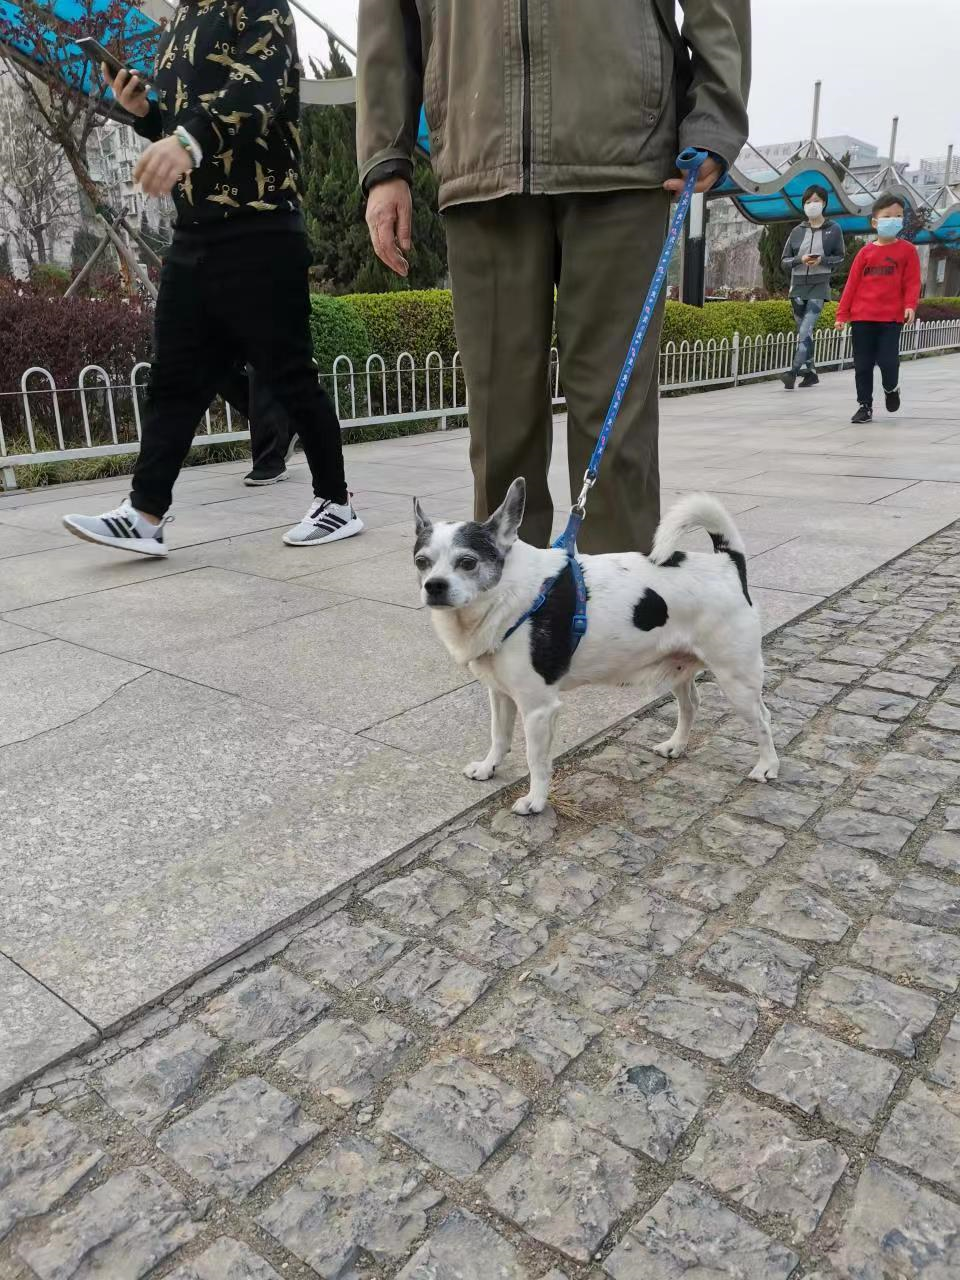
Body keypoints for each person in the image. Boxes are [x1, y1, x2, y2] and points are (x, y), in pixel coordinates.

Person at [356, 1, 751, 555]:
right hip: (478, 150)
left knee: (617, 424)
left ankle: (620, 621)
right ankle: (506, 617)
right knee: (498, 423)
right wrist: (383, 159)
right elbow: (386, 14)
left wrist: (713, 112)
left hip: (623, 144)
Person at [62, 0, 361, 556]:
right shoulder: (180, 19)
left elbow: (259, 94)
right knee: (173, 378)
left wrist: (185, 140)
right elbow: (183, 131)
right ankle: (145, 512)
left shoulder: (258, 5)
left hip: (261, 227)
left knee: (289, 373)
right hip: (194, 232)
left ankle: (336, 502)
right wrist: (146, 113)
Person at [835, 193, 921, 424]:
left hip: (891, 318)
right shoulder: (865, 252)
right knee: (862, 365)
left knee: (888, 361)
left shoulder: (908, 251)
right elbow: (852, 284)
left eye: (898, 216)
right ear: (875, 222)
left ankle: (891, 389)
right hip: (862, 317)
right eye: (887, 216)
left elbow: (912, 282)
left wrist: (910, 305)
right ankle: (865, 406)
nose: (893, 220)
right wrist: (842, 314)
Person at [780, 184, 845, 389]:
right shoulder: (797, 231)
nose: (812, 205)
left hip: (819, 286)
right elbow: (784, 261)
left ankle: (793, 371)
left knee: (806, 328)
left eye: (816, 201)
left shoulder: (833, 229)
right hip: (797, 287)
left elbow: (840, 257)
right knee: (804, 332)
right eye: (808, 202)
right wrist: (801, 259)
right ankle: (812, 373)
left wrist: (822, 261)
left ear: (824, 203)